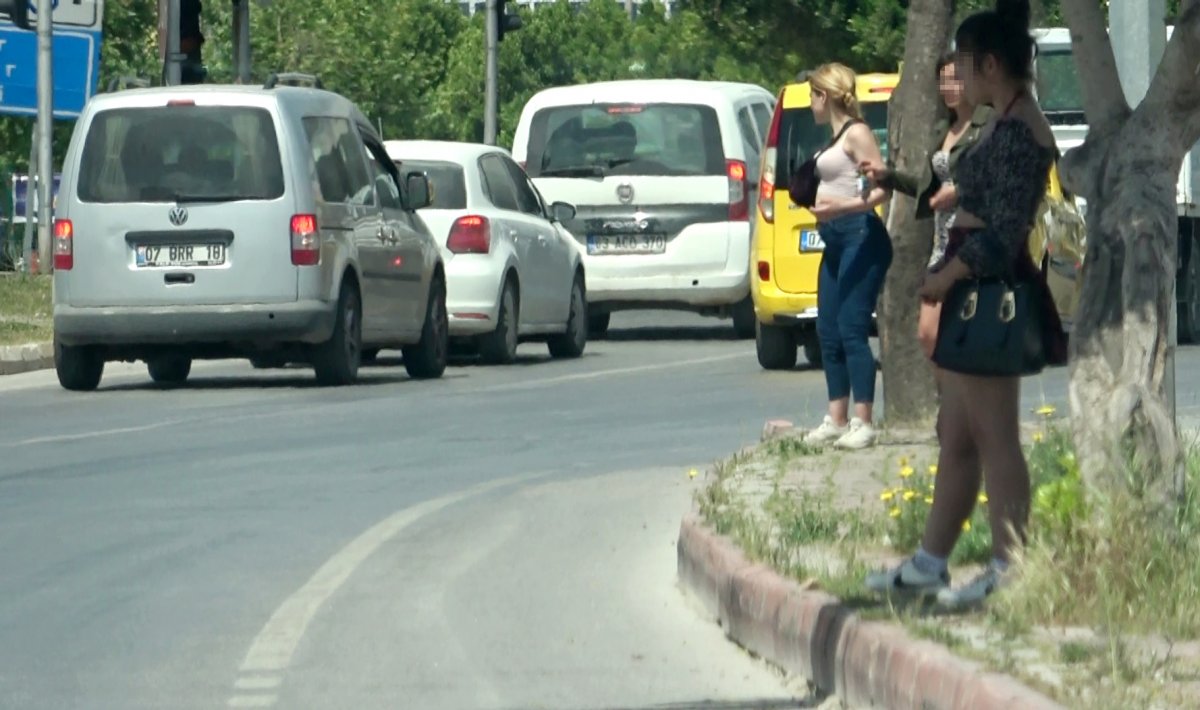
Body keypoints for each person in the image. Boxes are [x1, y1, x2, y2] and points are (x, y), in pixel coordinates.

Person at [865, 0, 1058, 607]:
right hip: (970, 290)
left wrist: (946, 277)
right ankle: (930, 562)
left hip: (986, 293)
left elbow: (1002, 232)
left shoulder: (1020, 130)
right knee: (956, 433)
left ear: (991, 64)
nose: (958, 75)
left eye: (966, 64)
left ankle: (1010, 564)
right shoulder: (1005, 121)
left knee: (993, 434)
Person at [861, 53, 993, 361]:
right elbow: (926, 188)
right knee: (928, 333)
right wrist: (888, 176)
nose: (948, 87)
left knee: (969, 335)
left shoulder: (988, 123)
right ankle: (950, 399)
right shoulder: (942, 130)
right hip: (942, 241)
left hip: (974, 241)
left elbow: (999, 178)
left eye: (955, 79)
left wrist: (960, 192)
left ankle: (966, 401)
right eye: (943, 81)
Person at [801, 63, 893, 451]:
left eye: (812, 96)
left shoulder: (857, 132)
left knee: (853, 327)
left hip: (861, 236)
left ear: (825, 96)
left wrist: (838, 207)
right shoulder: (834, 135)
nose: (809, 104)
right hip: (835, 240)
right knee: (828, 328)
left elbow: (884, 189)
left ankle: (864, 421)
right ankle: (837, 419)